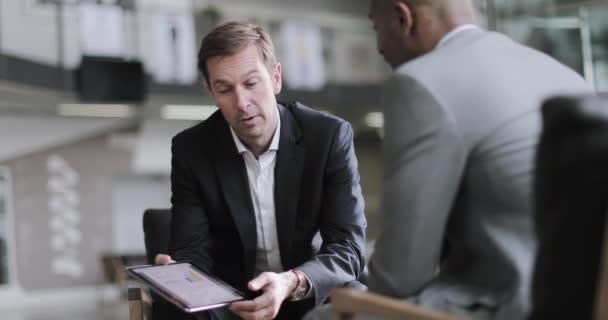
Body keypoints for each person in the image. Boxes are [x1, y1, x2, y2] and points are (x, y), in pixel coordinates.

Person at [305, 0, 592, 319]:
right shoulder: (563, 74)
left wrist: (347, 291)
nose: (380, 47)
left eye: (377, 28)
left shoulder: (419, 82)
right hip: (580, 298)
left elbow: (400, 276)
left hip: (509, 304)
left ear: (403, 19)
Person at [157, 21, 367, 320]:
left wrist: (290, 282)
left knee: (356, 297)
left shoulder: (329, 136)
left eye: (251, 83)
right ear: (211, 93)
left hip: (308, 291)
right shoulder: (192, 149)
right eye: (225, 89)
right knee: (174, 309)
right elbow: (192, 252)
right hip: (233, 301)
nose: (242, 103)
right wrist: (180, 278)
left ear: (276, 78)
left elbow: (348, 247)